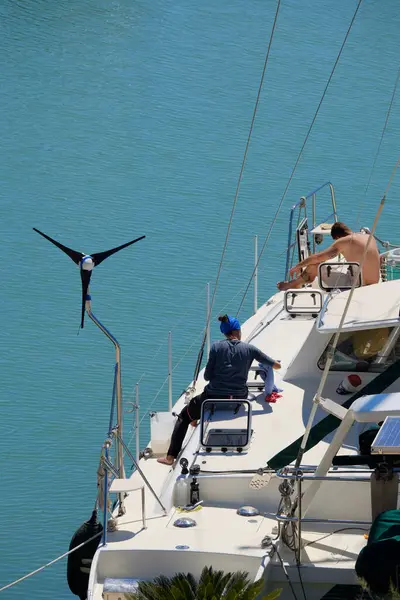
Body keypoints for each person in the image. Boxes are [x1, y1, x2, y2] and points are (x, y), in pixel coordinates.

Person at [157, 314, 281, 466]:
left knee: (184, 416)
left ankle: (170, 457)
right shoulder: (250, 349)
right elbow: (275, 365)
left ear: (224, 333)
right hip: (238, 399)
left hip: (212, 399)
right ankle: (195, 419)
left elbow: (208, 376)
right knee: (194, 410)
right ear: (238, 331)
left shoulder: (216, 347)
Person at [277, 222, 380, 291]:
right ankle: (299, 282)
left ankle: (293, 284)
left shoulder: (345, 241)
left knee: (315, 265)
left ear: (338, 237)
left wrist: (298, 266)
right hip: (375, 281)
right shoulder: (368, 237)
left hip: (359, 284)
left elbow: (318, 258)